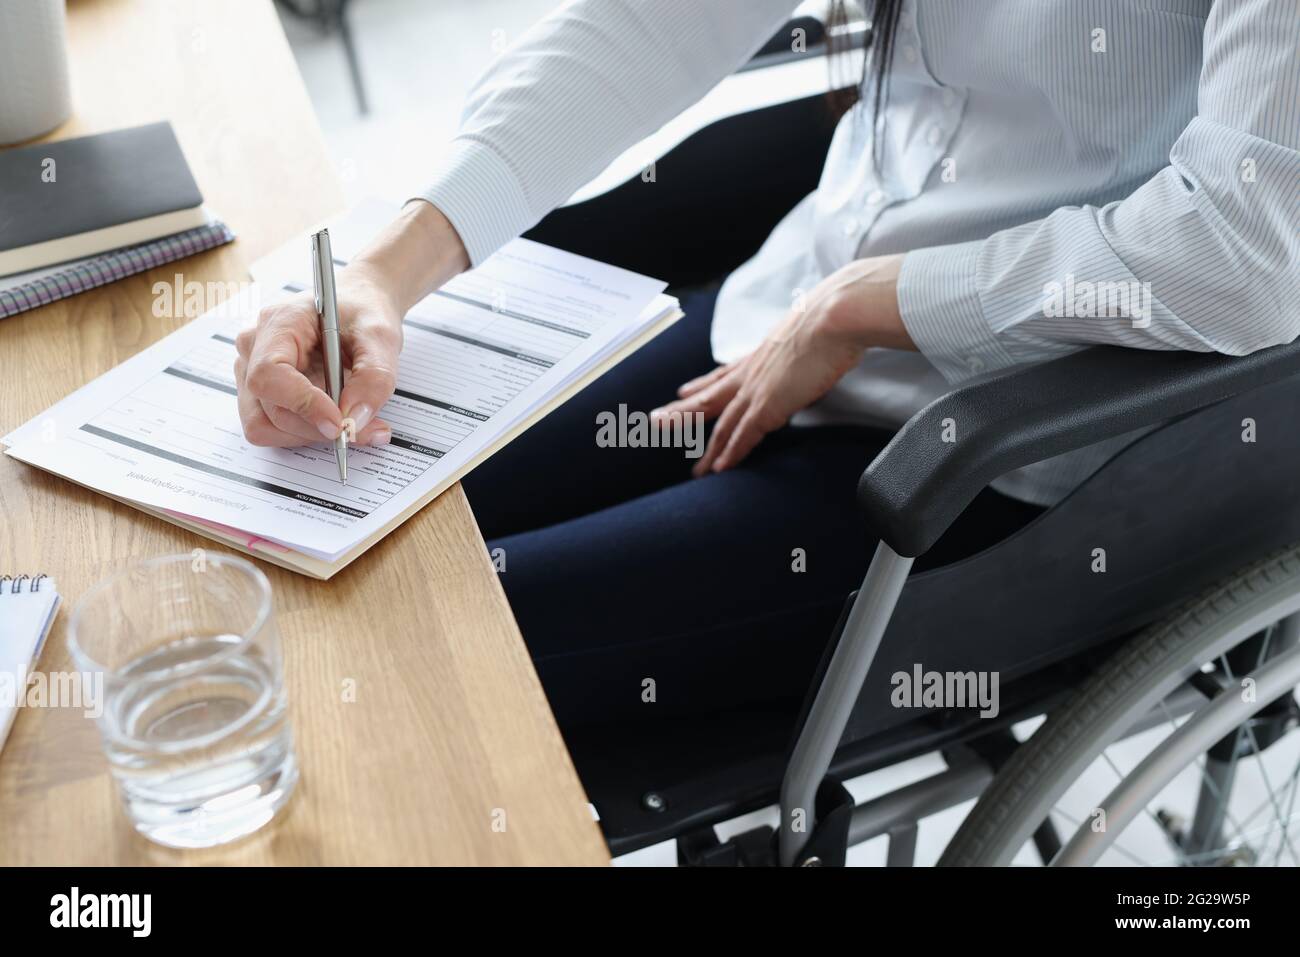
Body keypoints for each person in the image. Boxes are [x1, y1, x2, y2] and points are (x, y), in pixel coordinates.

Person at [234, 0, 1300, 730]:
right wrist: (388, 266)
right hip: (785, 306)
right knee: (324, 519)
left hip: (985, 448)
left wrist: (873, 303)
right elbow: (658, 21)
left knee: (396, 655)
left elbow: (1246, 254)